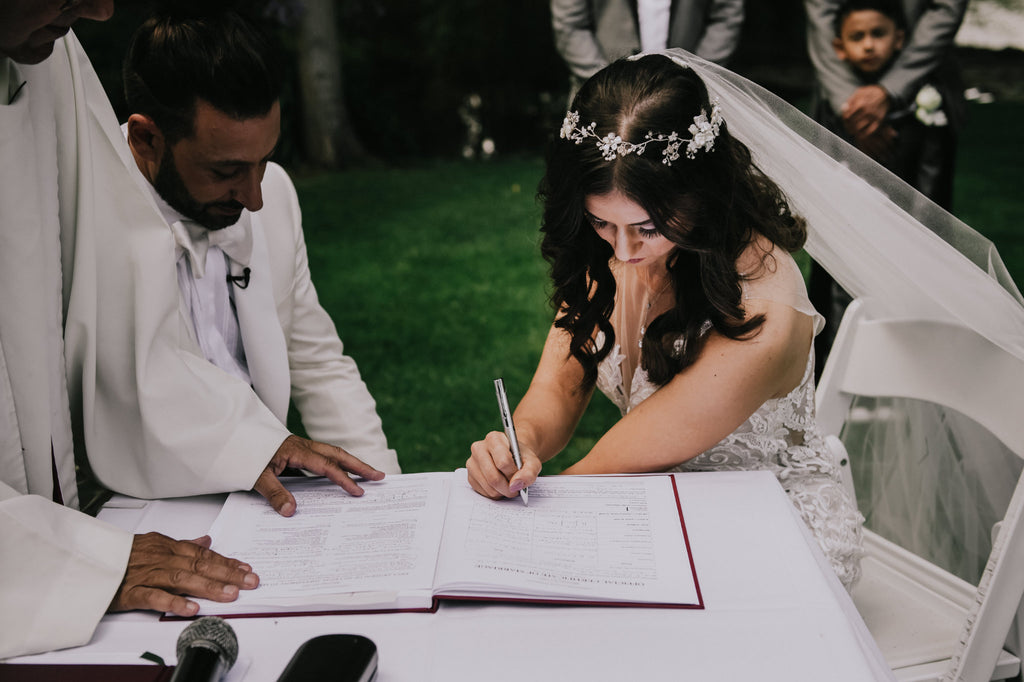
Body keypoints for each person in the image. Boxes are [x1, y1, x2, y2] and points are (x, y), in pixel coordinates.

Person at [467, 53, 864, 588]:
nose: (624, 250)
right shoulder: (613, 253)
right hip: (658, 509)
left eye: (648, 227)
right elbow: (559, 387)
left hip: (774, 538)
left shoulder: (762, 310)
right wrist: (520, 448)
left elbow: (610, 464)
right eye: (600, 222)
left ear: (703, 194)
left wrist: (511, 530)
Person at [61, 8, 398, 521]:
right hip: (139, 513)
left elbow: (318, 364)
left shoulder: (277, 197)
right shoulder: (79, 216)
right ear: (146, 139)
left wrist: (389, 496)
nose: (255, 196)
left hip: (268, 508)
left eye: (264, 160)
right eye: (227, 171)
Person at [0, 1, 260, 659]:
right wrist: (59, 565)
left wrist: (249, 438)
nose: (99, 8)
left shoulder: (45, 54)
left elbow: (111, 277)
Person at [805, 0, 966, 375]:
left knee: (922, 239)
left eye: (877, 36)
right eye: (859, 38)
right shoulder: (842, 52)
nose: (869, 44)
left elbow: (945, 9)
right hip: (838, 97)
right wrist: (853, 106)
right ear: (843, 45)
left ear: (895, 38)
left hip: (921, 92)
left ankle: (916, 363)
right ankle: (833, 366)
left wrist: (891, 91)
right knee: (837, 241)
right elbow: (821, 11)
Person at [551, 0, 744, 99]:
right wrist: (607, 82)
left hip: (689, 92)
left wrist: (696, 76)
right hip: (601, 91)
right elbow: (570, 25)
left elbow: (726, 17)